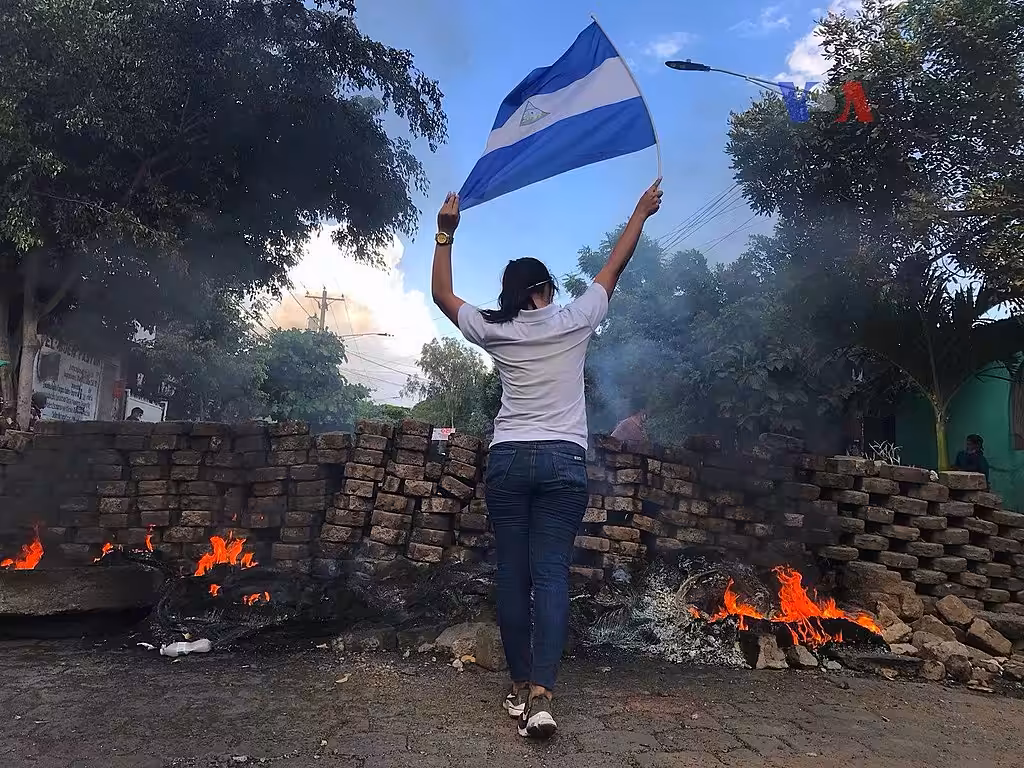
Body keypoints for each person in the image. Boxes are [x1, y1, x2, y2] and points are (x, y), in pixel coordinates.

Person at [430, 180, 663, 739]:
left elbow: (442, 297)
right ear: (546, 288)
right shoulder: (576, 319)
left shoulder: (497, 329)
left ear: (513, 292)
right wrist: (638, 211)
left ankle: (515, 687)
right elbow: (617, 264)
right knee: (551, 575)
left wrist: (446, 233)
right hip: (563, 464)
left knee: (513, 577)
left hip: (509, 460)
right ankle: (542, 697)